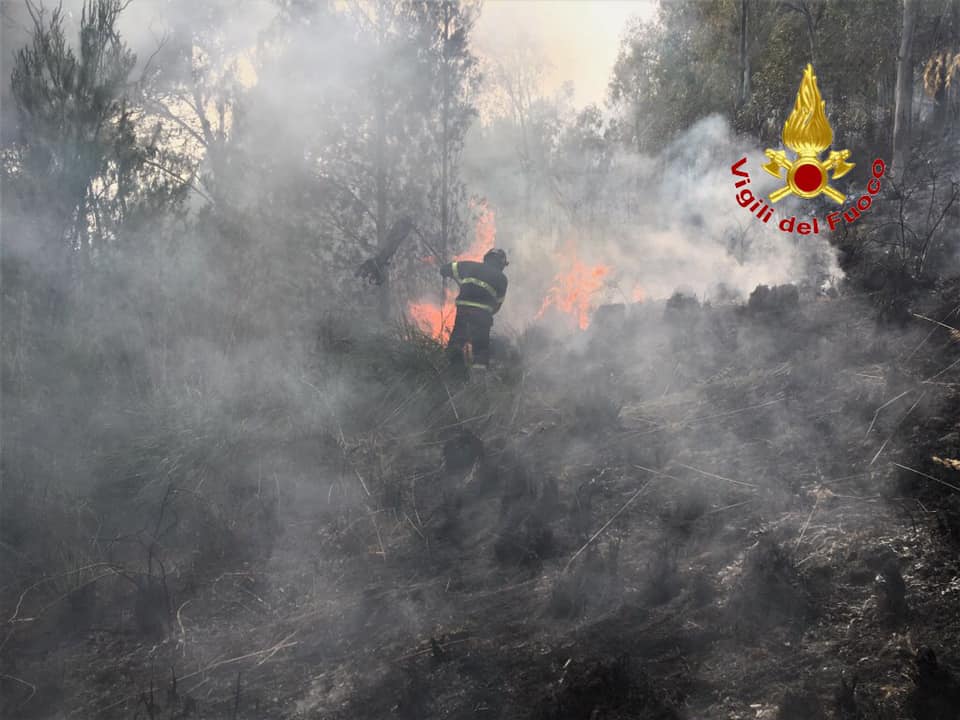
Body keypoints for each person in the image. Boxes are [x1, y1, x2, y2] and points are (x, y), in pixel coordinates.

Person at [440, 248, 508, 372]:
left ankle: (452, 375)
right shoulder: (502, 278)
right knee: (481, 349)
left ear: (486, 258)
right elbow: (497, 305)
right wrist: (486, 314)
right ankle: (478, 382)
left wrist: (453, 275)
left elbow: (444, 269)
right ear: (501, 264)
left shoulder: (468, 266)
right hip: (483, 316)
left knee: (457, 343)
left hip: (463, 312)